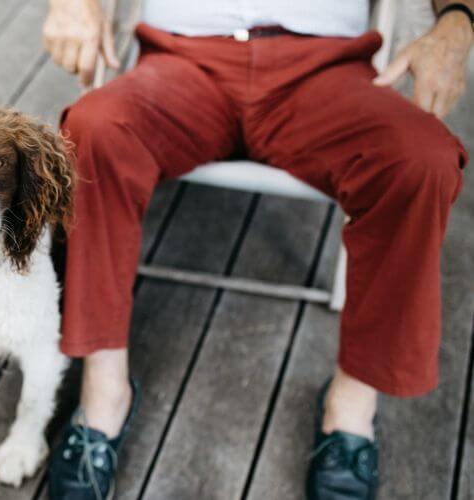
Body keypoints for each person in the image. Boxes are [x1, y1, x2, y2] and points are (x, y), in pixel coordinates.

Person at [41, 0, 472, 498]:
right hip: (181, 61)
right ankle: (103, 395)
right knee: (93, 131)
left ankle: (351, 413)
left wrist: (458, 20)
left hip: (325, 69)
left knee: (421, 160)